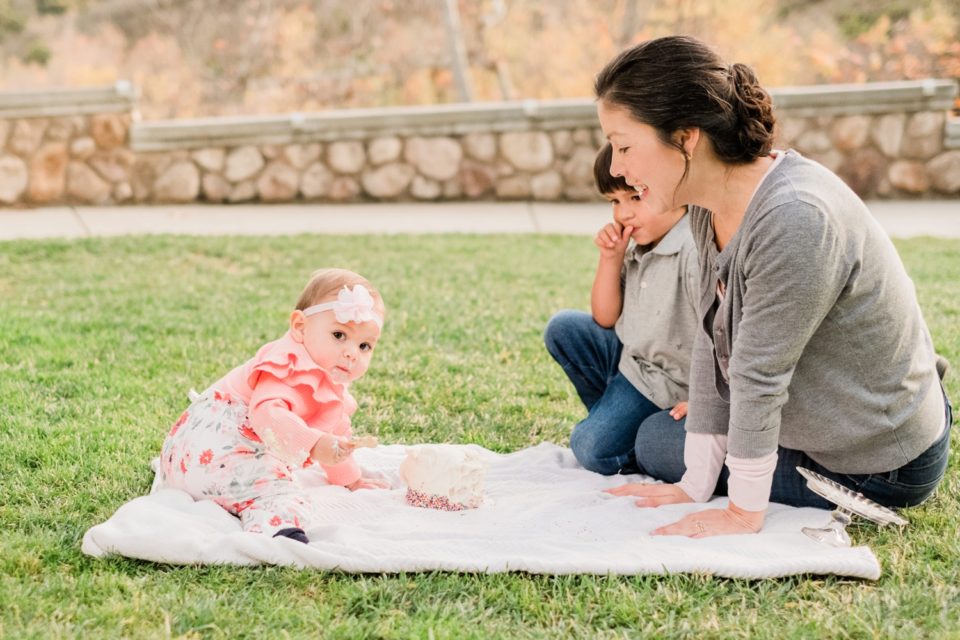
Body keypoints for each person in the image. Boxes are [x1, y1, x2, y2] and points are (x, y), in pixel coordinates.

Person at [595, 35, 952, 537]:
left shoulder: (795, 217)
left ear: (686, 136)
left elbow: (757, 378)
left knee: (654, 441)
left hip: (884, 458)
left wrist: (741, 513)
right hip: (838, 417)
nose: (616, 167)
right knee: (662, 442)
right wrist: (695, 483)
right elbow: (709, 335)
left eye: (624, 144)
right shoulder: (708, 205)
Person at [160, 268, 387, 544]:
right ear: (300, 327)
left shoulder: (326, 377)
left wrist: (351, 479)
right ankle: (277, 528)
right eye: (339, 335)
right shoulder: (286, 364)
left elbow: (336, 436)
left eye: (364, 346)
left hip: (192, 459)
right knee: (280, 492)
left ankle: (244, 496)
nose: (352, 353)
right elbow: (267, 414)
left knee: (270, 470)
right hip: (216, 450)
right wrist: (314, 444)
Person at [543, 142, 699, 475]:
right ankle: (617, 420)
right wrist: (610, 259)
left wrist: (706, 400)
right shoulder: (642, 244)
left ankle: (640, 440)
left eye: (635, 197)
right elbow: (605, 317)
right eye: (614, 201)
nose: (622, 213)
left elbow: (723, 338)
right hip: (633, 361)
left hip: (667, 382)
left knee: (589, 448)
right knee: (563, 328)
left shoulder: (691, 251)